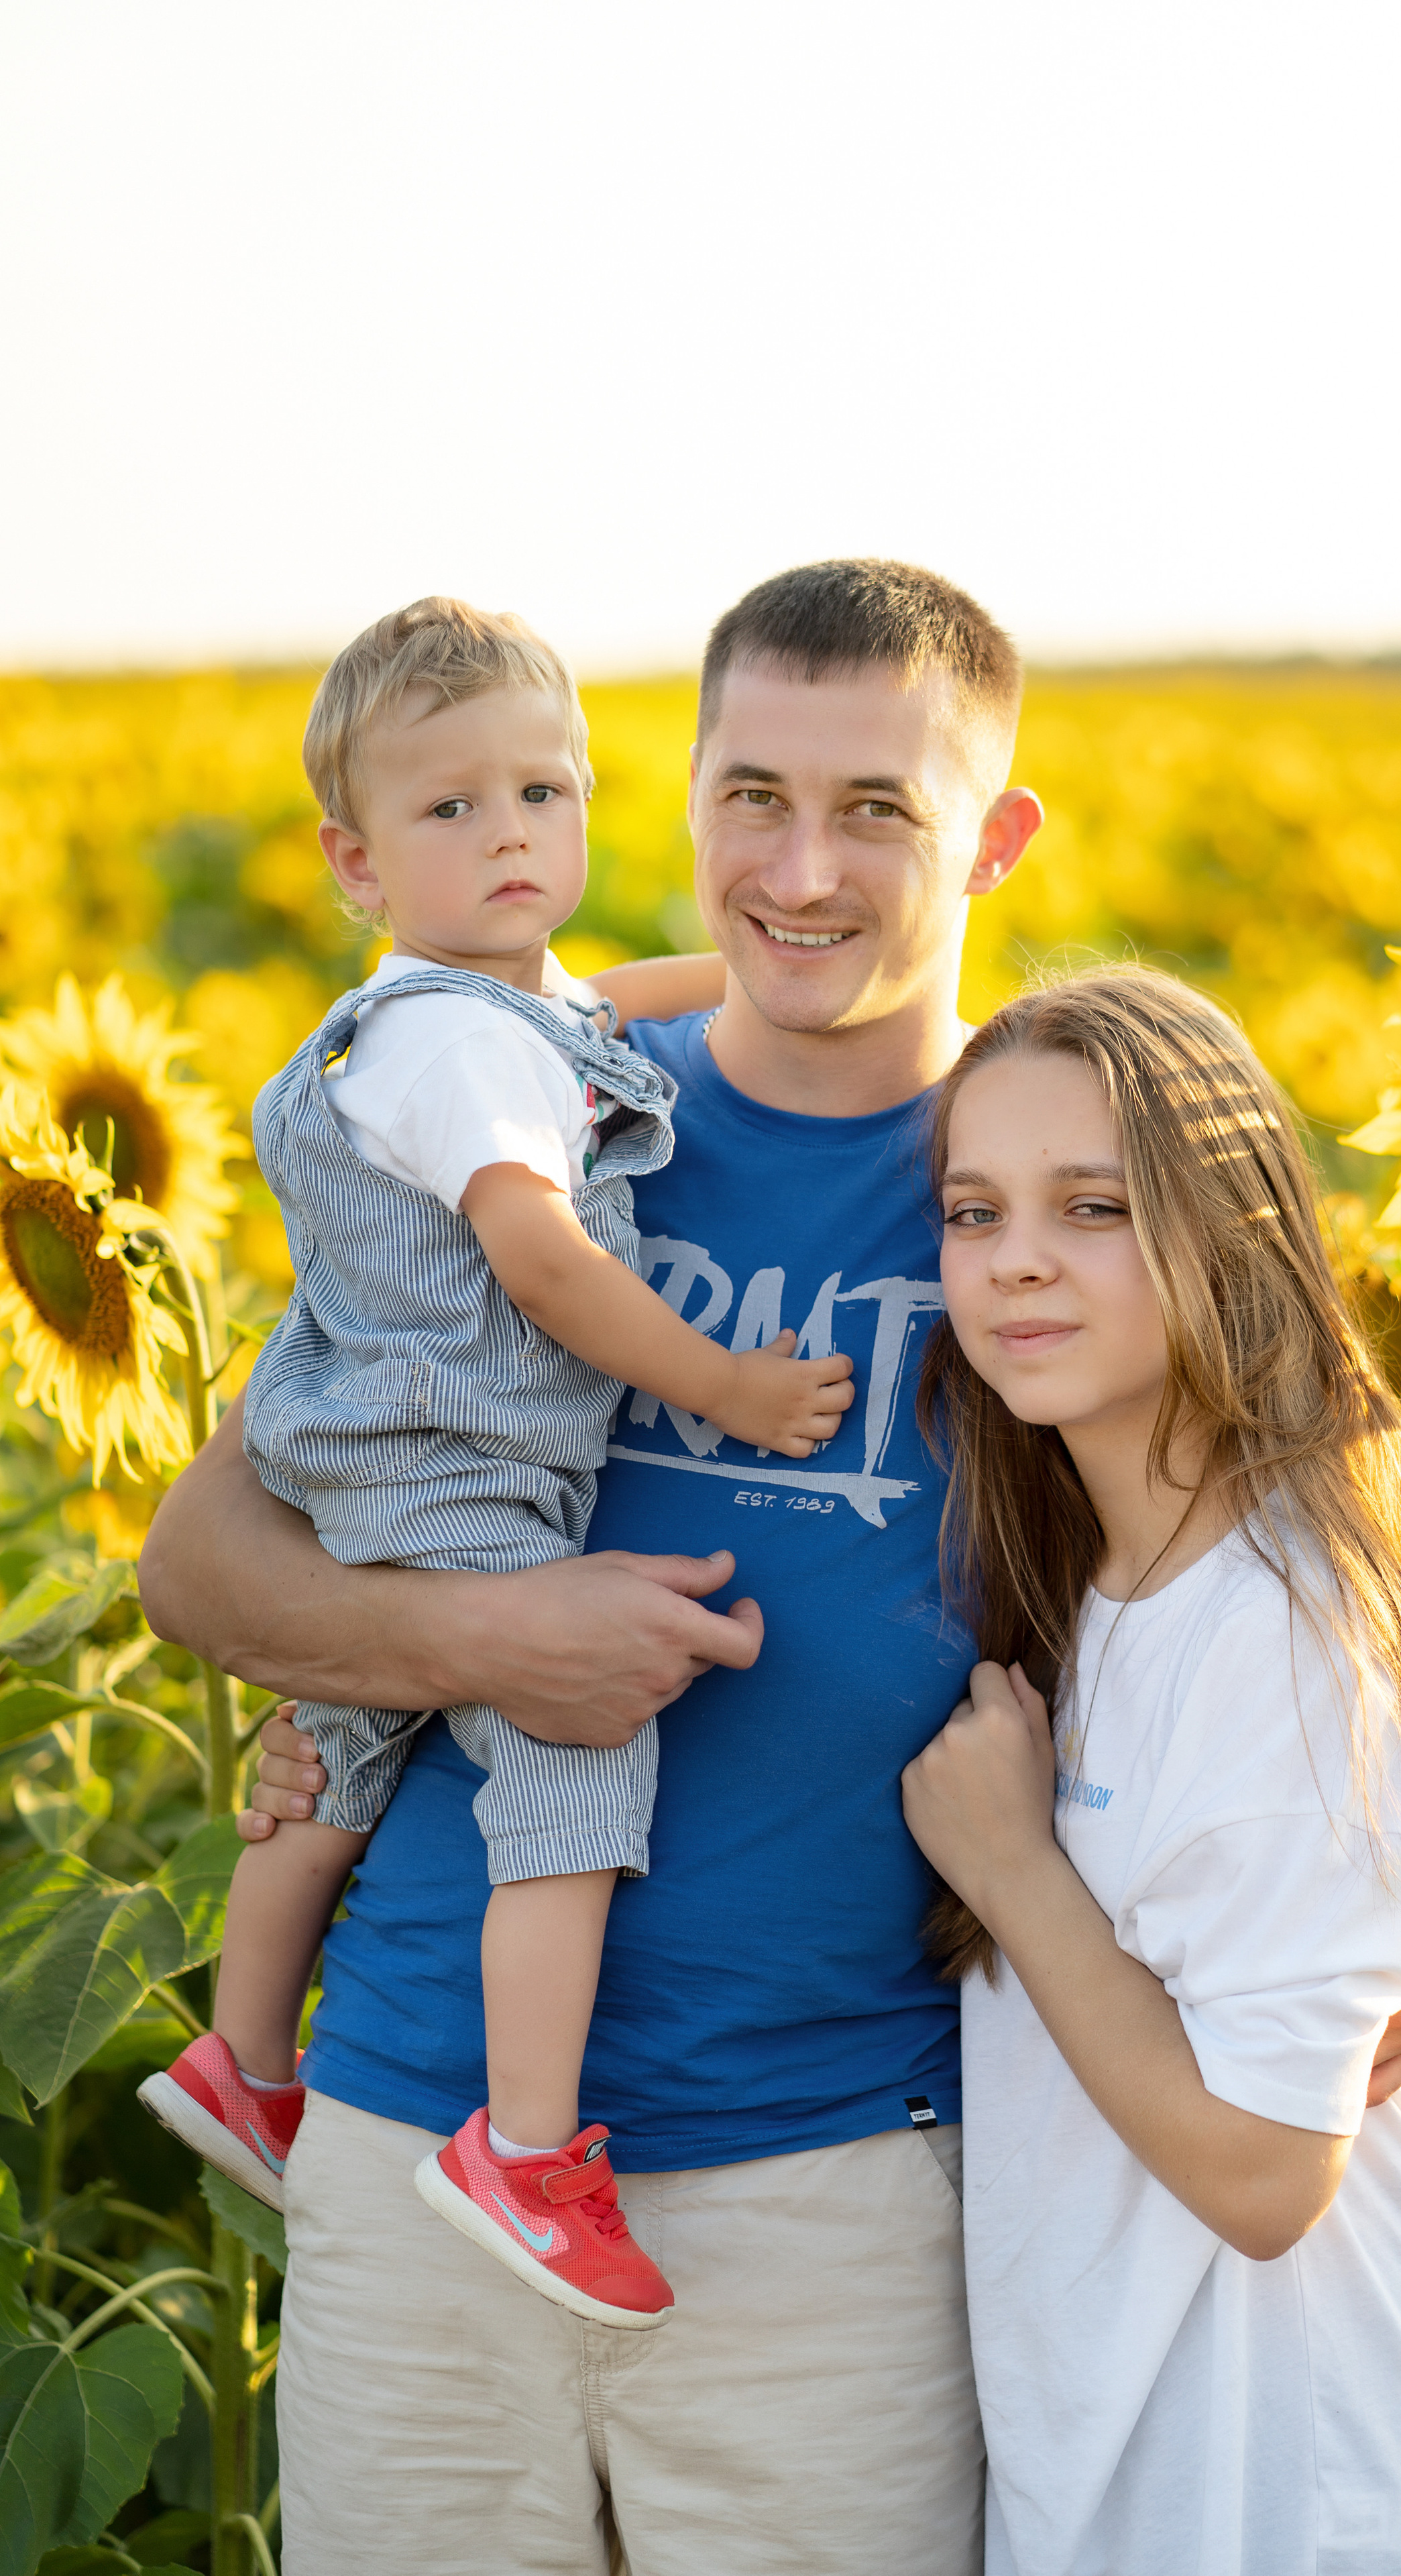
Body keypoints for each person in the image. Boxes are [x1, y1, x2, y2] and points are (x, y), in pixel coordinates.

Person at [140, 561, 1401, 2576]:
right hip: (414, 2125)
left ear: (993, 837)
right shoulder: (527, 1115)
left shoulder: (1054, 1177)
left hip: (838, 2185)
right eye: (752, 800)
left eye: (878, 810)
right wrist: (488, 1638)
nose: (803, 872)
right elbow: (202, 1561)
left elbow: (1350, 1523)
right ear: (688, 798)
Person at [139, 598, 851, 2330]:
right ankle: (526, 2152)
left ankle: (240, 2060)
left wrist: (775, 982)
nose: (512, 834)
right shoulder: (461, 1049)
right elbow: (542, 1262)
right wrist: (728, 1389)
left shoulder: (480, 1010)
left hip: (367, 1451)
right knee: (574, 1761)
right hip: (458, 1462)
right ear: (356, 861)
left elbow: (614, 1005)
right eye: (452, 810)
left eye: (543, 792)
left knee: (351, 1743)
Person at [901, 968, 1401, 2576]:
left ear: (1227, 1225)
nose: (1016, 1260)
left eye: (1094, 1207)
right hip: (1149, 2473)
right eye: (971, 1211)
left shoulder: (1281, 1627)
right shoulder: (1109, 1577)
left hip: (1304, 2494)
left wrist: (1014, 1874)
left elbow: (1266, 2175)